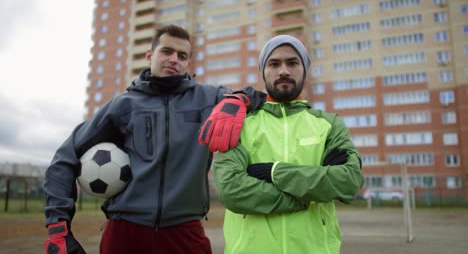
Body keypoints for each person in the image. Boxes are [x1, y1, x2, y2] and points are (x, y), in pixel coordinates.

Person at [43, 24, 264, 254]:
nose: (174, 59)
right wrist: (58, 228)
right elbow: (65, 157)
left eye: (182, 55)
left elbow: (258, 96)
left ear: (189, 63)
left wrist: (240, 99)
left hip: (185, 233)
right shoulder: (123, 105)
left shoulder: (209, 98)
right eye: (166, 51)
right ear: (150, 56)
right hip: (126, 232)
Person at [212, 35, 363, 254]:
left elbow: (349, 181)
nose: (284, 70)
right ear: (263, 71)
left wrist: (275, 172)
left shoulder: (329, 124)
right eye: (274, 63)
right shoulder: (240, 124)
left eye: (292, 62)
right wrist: (308, 191)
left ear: (305, 69)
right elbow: (232, 190)